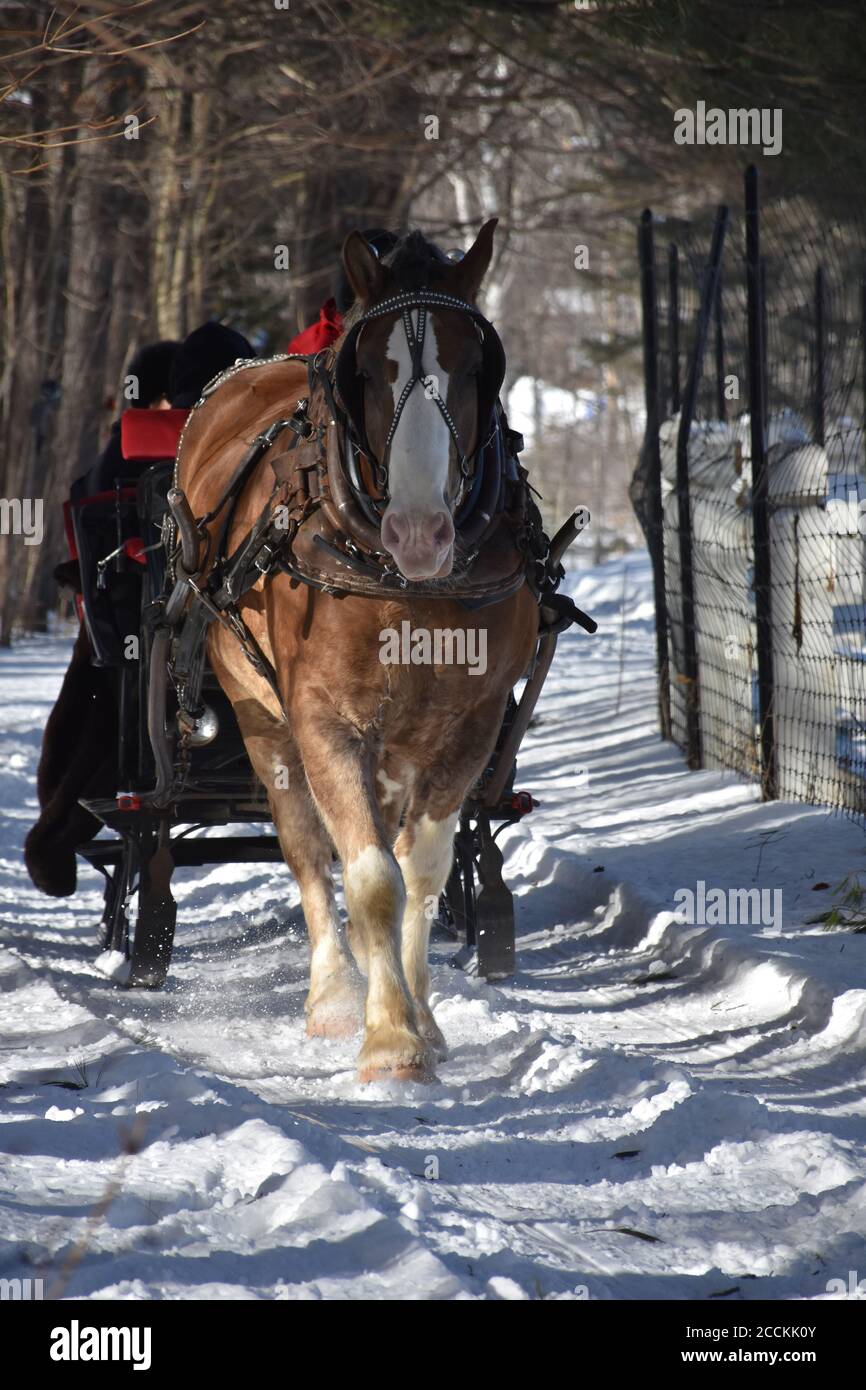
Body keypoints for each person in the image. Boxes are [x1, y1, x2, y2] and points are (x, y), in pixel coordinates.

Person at [25, 322, 256, 899]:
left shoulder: (137, 445)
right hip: (252, 629)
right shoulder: (266, 441)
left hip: (154, 636)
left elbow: (94, 525)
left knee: (106, 690)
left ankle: (63, 825)